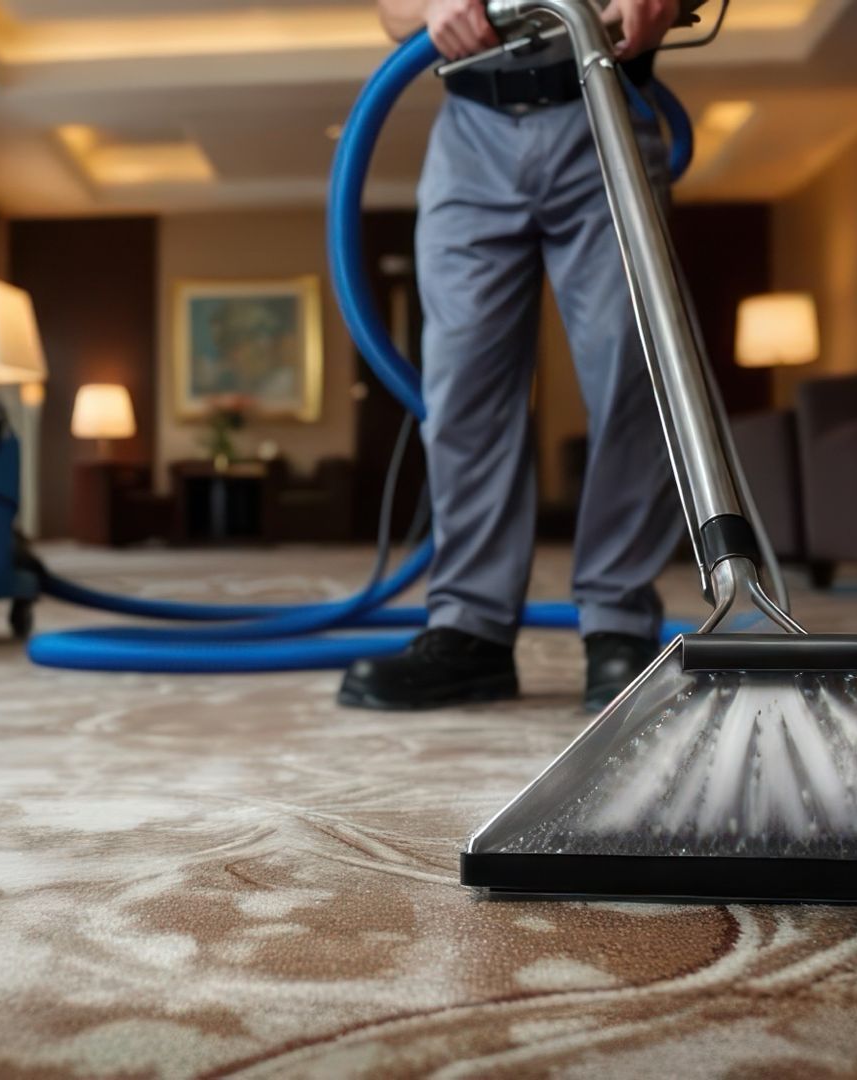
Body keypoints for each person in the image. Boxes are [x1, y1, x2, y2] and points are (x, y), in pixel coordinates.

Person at [339, 0, 684, 712]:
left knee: (633, 365)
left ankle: (618, 622)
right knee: (462, 383)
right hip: (472, 127)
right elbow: (393, 12)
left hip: (603, 101)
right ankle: (471, 630)